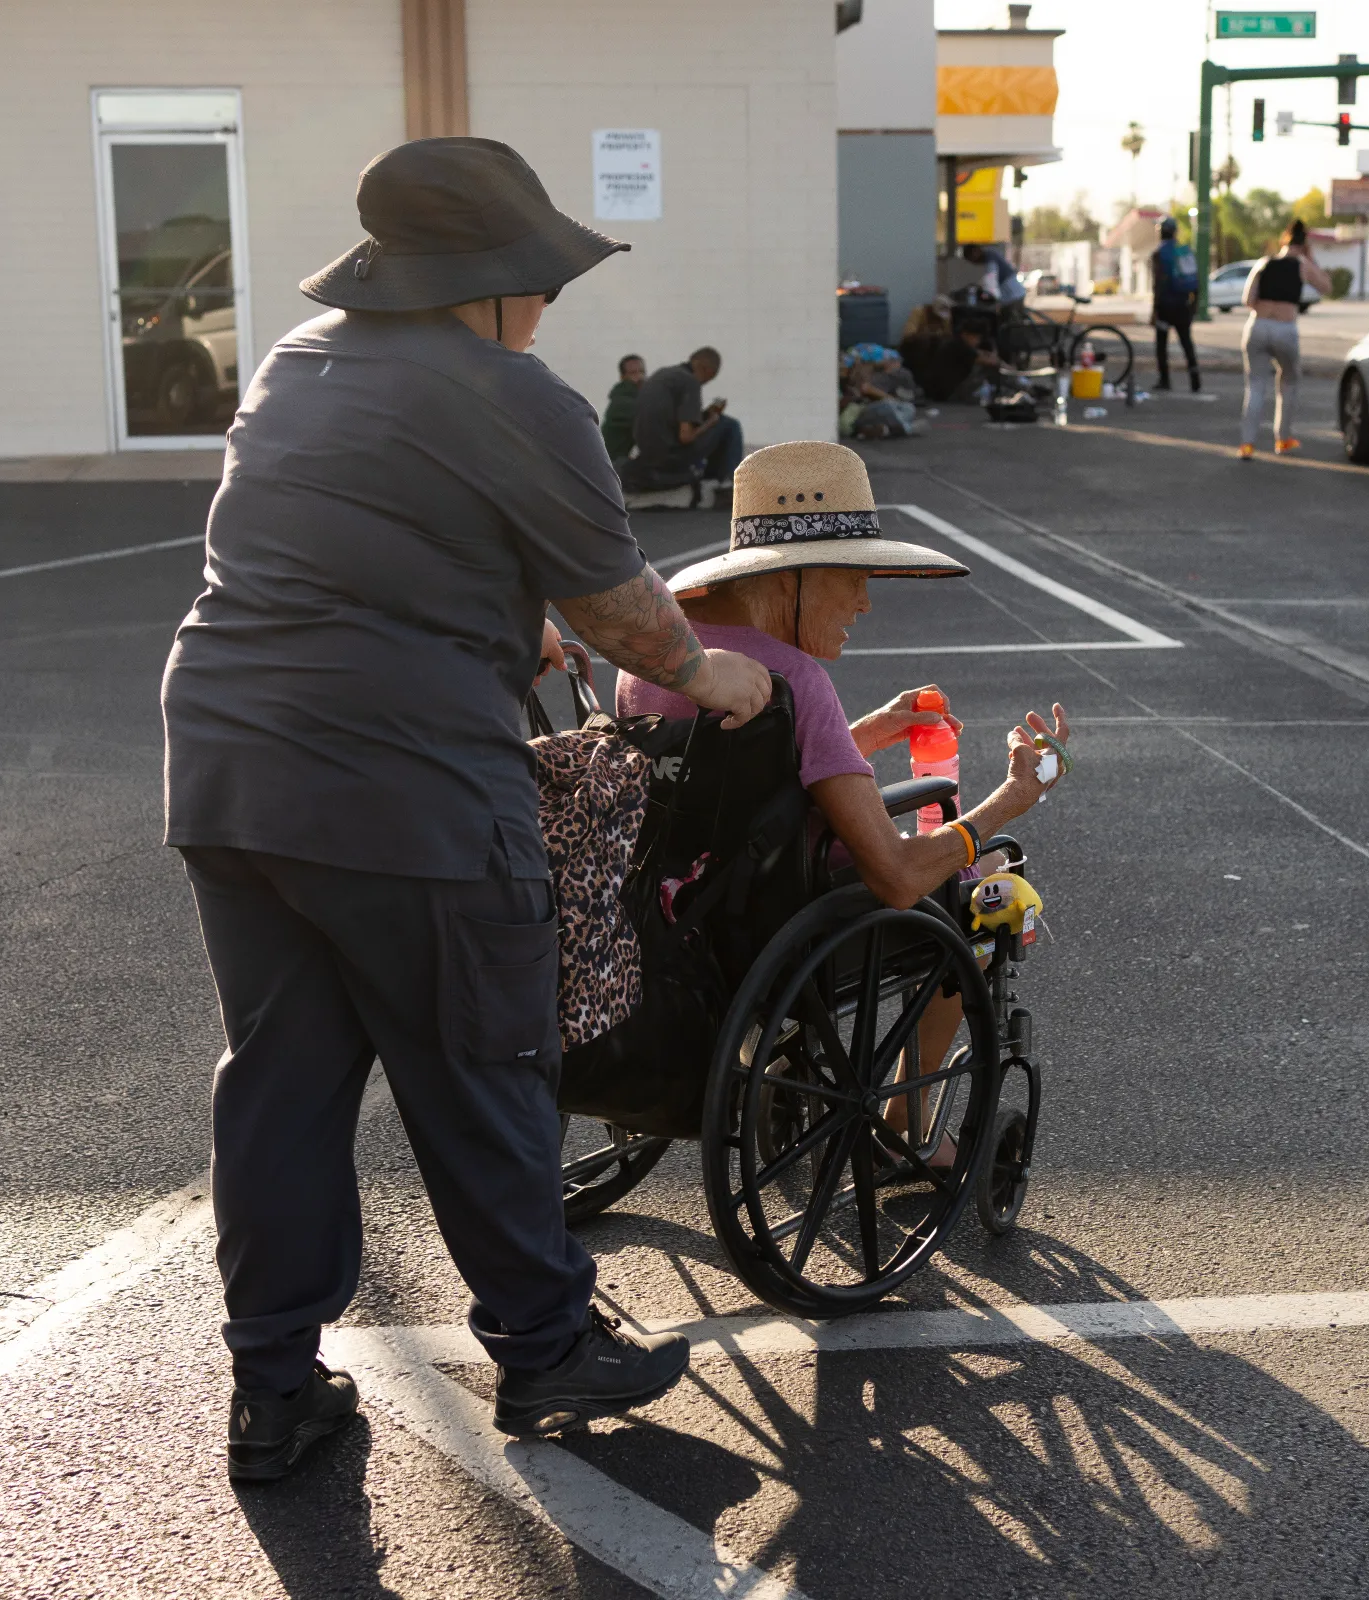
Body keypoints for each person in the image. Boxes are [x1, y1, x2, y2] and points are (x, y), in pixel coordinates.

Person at [158, 137, 772, 1477]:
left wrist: (503, 627)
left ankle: (274, 1389)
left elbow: (351, 548)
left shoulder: (297, 363)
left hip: (229, 769)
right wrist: (707, 668)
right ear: (490, 286)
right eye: (538, 282)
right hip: (406, 787)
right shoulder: (517, 396)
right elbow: (625, 613)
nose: (546, 309)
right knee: (485, 1062)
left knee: (281, 1083)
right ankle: (548, 1350)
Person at [616, 442, 1070, 1145]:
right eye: (852, 576)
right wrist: (1012, 798)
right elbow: (894, 877)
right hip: (790, 925)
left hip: (682, 913)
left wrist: (867, 731)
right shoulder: (797, 678)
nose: (863, 601)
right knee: (986, 895)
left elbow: (742, 779)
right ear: (791, 577)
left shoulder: (661, 657)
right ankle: (911, 1120)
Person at [1238, 219, 1334, 459]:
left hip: (1257, 326)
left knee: (1256, 385)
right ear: (1304, 245)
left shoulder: (1264, 263)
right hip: (1284, 328)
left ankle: (1247, 444)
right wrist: (1311, 259)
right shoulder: (1302, 265)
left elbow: (1248, 299)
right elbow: (1326, 287)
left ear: (1284, 240)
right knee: (1289, 382)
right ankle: (1282, 439)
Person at [628, 346, 743, 499]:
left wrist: (703, 416)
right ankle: (726, 484)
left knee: (718, 425)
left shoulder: (662, 374)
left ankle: (713, 480)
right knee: (729, 425)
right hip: (670, 458)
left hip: (648, 454)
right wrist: (711, 421)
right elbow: (686, 437)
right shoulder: (691, 383)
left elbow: (671, 420)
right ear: (705, 369)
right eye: (712, 375)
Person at [1150, 216, 1201, 392]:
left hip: (1165, 306)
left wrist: (1154, 310)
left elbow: (1157, 284)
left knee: (1162, 344)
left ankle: (1164, 380)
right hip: (1183, 306)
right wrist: (1194, 304)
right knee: (1187, 343)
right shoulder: (1185, 251)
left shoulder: (1159, 253)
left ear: (1161, 232)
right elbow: (1196, 279)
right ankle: (1195, 380)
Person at [600, 353, 644, 462]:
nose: (639, 377)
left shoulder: (634, 398)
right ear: (623, 377)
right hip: (608, 464)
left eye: (642, 372)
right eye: (633, 373)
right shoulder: (623, 403)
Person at [961, 242, 1028, 306]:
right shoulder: (989, 255)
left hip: (1012, 294)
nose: (973, 262)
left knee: (1010, 315)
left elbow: (991, 280)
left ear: (975, 251)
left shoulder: (989, 258)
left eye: (970, 259)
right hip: (1013, 293)